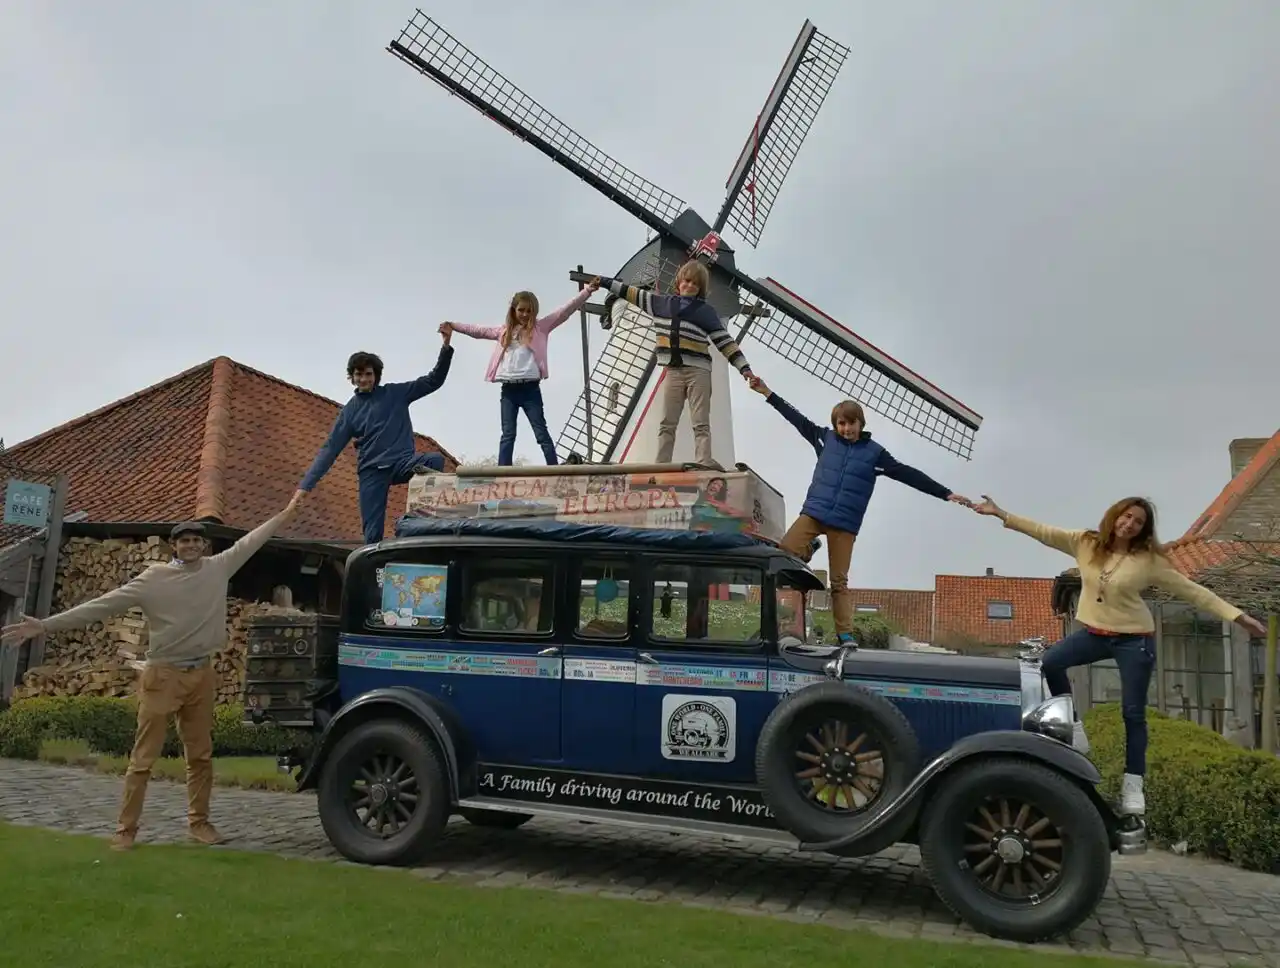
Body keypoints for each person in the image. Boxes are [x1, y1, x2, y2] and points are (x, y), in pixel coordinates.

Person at [0, 493, 307, 850]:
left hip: (201, 675)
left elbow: (253, 539)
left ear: (204, 546)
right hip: (163, 675)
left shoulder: (218, 567)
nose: (191, 545)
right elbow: (101, 606)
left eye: (196, 540)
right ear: (174, 546)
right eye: (184, 540)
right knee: (143, 758)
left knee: (201, 756)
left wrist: (285, 512)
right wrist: (45, 626)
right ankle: (125, 831)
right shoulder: (153, 579)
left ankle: (199, 823)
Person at [971, 494, 1268, 817]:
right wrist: (1001, 514)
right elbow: (1043, 531)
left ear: (1143, 529)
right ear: (1115, 516)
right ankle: (1074, 725)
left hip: (1134, 640)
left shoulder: (1149, 562)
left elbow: (1194, 591)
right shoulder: (1085, 542)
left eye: (1138, 522)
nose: (1129, 524)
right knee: (1049, 662)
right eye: (1126, 517)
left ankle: (1133, 785)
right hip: (1094, 635)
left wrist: (1239, 617)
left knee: (1133, 714)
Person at [749, 376, 973, 646]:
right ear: (836, 425)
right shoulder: (823, 439)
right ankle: (810, 549)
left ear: (860, 423)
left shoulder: (874, 454)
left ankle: (845, 634)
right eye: (841, 424)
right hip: (815, 513)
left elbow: (908, 474)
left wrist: (945, 493)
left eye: (851, 423)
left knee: (839, 581)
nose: (846, 429)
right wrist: (767, 393)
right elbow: (795, 417)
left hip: (844, 523)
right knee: (785, 552)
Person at [299, 330, 453, 544]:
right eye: (359, 375)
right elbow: (330, 449)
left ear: (376, 376)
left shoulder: (396, 393)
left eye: (368, 374)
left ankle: (420, 521)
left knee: (435, 461)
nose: (364, 379)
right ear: (352, 377)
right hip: (372, 472)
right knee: (372, 534)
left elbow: (433, 381)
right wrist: (305, 486)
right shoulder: (350, 411)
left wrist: (446, 347)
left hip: (401, 463)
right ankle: (374, 570)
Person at [598, 260, 754, 469]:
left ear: (700, 289)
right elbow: (632, 293)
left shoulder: (705, 312)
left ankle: (704, 459)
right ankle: (661, 463)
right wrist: (606, 282)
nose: (689, 286)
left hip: (698, 371)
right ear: (679, 281)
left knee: (700, 421)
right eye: (686, 281)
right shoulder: (661, 303)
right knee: (667, 421)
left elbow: (725, 341)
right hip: (673, 370)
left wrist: (744, 368)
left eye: (695, 284)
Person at [441, 279, 599, 466]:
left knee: (540, 431)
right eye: (521, 310)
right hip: (508, 390)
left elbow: (565, 311)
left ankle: (554, 468)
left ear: (534, 312)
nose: (524, 314)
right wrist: (454, 325)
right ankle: (503, 470)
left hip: (530, 390)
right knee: (508, 434)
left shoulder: (540, 328)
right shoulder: (503, 332)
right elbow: (477, 330)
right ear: (514, 311)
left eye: (529, 311)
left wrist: (587, 291)